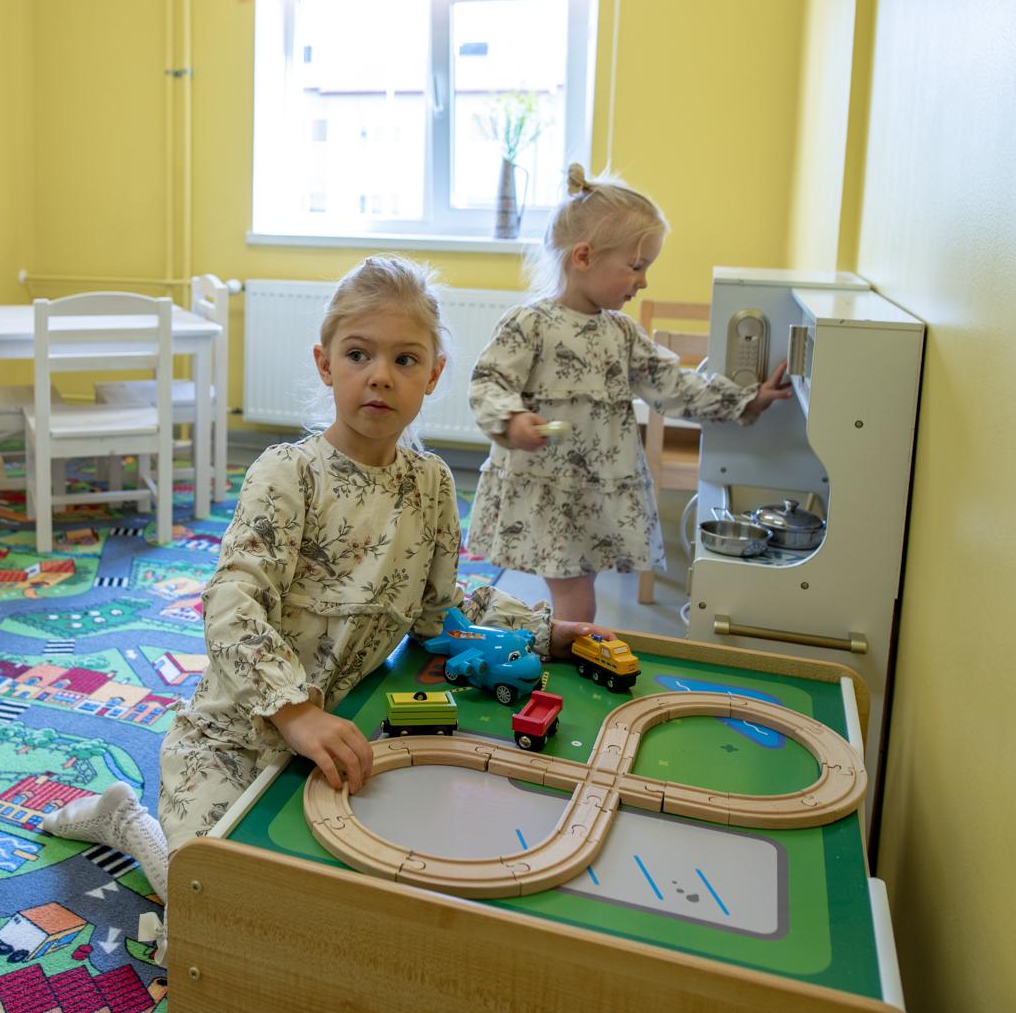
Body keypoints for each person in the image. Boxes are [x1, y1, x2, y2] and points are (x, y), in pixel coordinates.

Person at [40, 255, 602, 910]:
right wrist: (293, 711)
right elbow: (232, 602)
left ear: (433, 375)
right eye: (359, 354)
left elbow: (440, 612)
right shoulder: (288, 473)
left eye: (405, 359)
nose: (380, 375)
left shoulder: (432, 484)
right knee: (208, 905)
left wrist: (539, 629)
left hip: (341, 732)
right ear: (325, 364)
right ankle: (125, 821)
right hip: (238, 733)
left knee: (344, 905)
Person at [465, 163, 793, 625]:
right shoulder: (530, 324)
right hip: (547, 489)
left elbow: (672, 383)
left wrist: (745, 399)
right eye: (636, 267)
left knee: (577, 591)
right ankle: (567, 649)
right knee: (577, 598)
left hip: (597, 489)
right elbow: (488, 381)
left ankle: (557, 640)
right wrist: (511, 419)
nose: (643, 281)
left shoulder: (621, 332)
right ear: (583, 257)